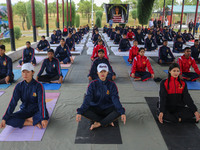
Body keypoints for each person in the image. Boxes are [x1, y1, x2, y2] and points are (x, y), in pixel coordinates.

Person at [76, 63, 126, 130]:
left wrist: (122, 112)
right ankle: (106, 121)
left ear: (107, 72)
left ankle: (99, 123)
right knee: (83, 111)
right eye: (101, 72)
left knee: (119, 110)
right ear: (97, 73)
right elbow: (87, 99)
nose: (102, 73)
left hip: (108, 109)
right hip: (95, 108)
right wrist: (80, 112)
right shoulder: (92, 84)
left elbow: (115, 99)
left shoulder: (112, 84)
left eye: (104, 71)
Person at [0, 63, 49, 129]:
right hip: (25, 111)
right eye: (23, 72)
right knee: (7, 119)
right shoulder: (19, 86)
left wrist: (43, 118)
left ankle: (27, 120)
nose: (25, 74)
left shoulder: (39, 86)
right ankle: (31, 122)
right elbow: (13, 103)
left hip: (37, 110)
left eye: (28, 72)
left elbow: (41, 103)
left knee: (44, 114)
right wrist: (4, 117)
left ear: (32, 72)